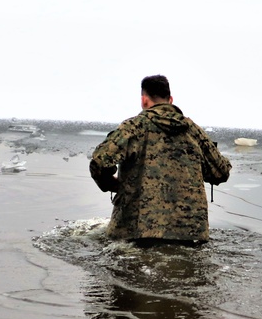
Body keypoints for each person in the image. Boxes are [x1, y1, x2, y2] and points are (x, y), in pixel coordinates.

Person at [89, 75, 231, 244]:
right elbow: (221, 172)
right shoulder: (193, 130)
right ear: (170, 100)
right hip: (190, 234)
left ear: (144, 100)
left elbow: (99, 161)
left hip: (138, 231)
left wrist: (112, 185)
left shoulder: (134, 127)